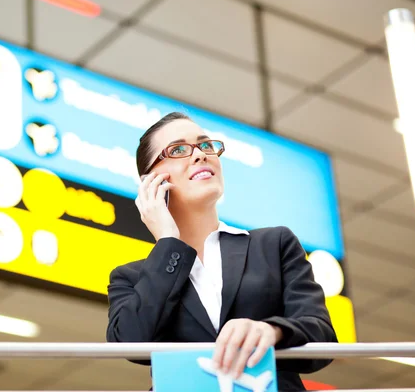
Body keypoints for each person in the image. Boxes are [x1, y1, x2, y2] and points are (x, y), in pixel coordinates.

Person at [106, 112, 338, 391]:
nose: (200, 155)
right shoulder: (130, 278)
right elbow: (132, 343)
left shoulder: (274, 245)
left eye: (205, 145)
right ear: (150, 183)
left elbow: (322, 338)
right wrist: (168, 242)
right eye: (178, 149)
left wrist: (272, 330)